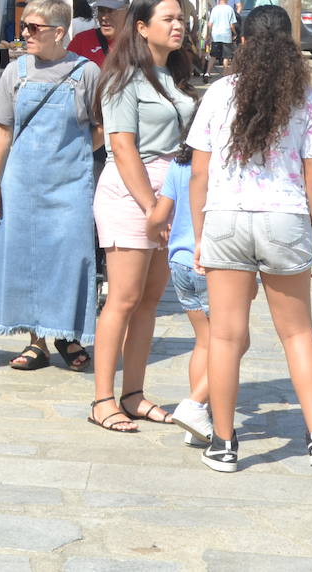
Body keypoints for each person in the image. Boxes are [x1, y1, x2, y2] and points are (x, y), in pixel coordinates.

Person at [187, 5, 312, 473]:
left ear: (241, 43)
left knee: (225, 334)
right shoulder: (307, 100)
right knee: (297, 332)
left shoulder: (218, 93)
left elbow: (199, 172)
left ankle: (222, 441)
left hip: (226, 217)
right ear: (290, 47)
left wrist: (200, 236)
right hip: (285, 218)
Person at [88, 0, 196, 434]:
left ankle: (133, 393)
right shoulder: (121, 79)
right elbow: (121, 146)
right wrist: (151, 206)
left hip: (170, 189)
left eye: (181, 19)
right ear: (141, 26)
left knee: (150, 300)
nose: (178, 25)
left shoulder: (172, 75)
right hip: (132, 191)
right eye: (168, 19)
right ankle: (101, 399)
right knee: (123, 298)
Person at [0, 0, 102, 372]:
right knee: (24, 260)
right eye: (24, 27)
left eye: (34, 28)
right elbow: (2, 129)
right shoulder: (15, 71)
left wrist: (74, 157)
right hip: (21, 184)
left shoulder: (87, 73)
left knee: (70, 259)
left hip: (69, 186)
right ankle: (36, 341)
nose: (25, 34)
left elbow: (100, 130)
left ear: (59, 32)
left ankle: (67, 333)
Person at [145, 143, 215, 446]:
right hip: (212, 264)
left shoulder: (178, 166)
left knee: (205, 341)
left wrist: (154, 235)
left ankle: (197, 422)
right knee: (233, 342)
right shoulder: (221, 166)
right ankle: (195, 405)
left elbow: (158, 216)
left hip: (180, 264)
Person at [67, 0, 130, 67]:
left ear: (127, 12)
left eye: (111, 11)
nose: (104, 17)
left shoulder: (140, 42)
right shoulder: (81, 41)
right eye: (101, 10)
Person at [204, 0, 239, 79]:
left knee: (213, 55)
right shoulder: (230, 9)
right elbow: (232, 25)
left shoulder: (215, 9)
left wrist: (208, 34)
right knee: (226, 56)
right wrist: (235, 33)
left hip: (215, 35)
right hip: (226, 34)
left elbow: (210, 24)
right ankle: (224, 73)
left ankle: (207, 73)